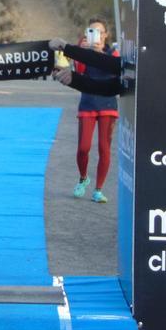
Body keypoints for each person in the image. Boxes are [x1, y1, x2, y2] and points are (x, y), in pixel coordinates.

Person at [49, 18, 119, 204]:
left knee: (104, 149)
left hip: (108, 105)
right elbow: (78, 72)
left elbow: (116, 70)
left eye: (99, 31)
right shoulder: (83, 53)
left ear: (105, 35)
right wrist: (83, 51)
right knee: (83, 148)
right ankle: (83, 178)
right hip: (88, 103)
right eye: (91, 31)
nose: (96, 34)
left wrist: (96, 51)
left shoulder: (114, 53)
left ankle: (98, 189)